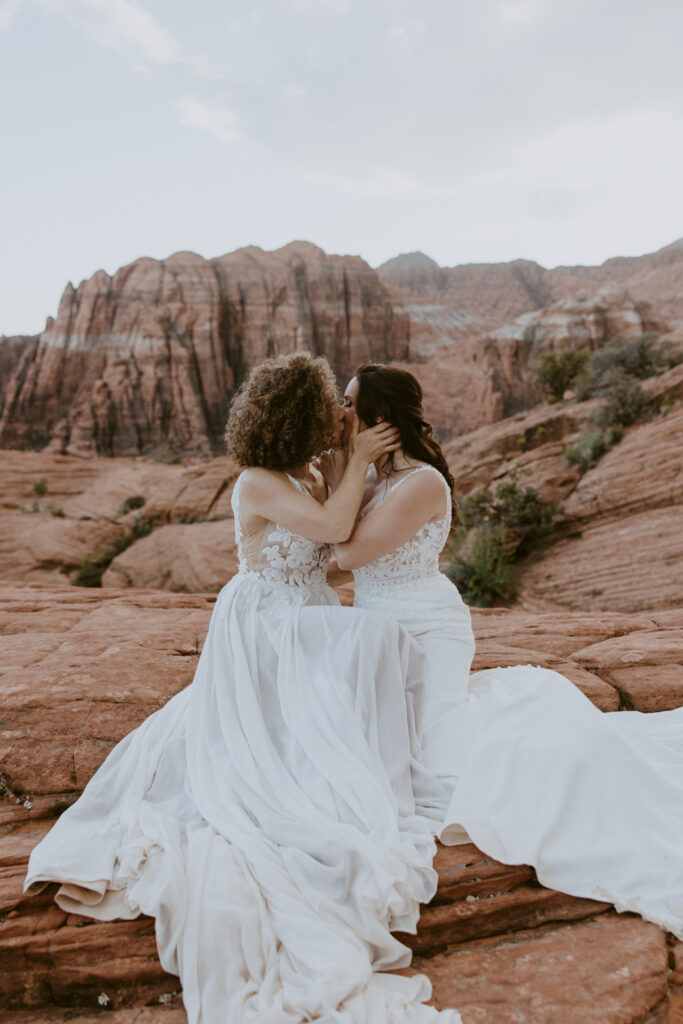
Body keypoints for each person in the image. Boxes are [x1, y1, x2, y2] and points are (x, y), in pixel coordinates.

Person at [24, 352, 463, 1024]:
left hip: (305, 611)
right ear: (298, 415)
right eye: (328, 407)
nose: (338, 416)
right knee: (335, 686)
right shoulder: (258, 482)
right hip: (266, 621)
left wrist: (346, 458)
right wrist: (355, 457)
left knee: (335, 698)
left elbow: (346, 527)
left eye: (344, 406)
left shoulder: (310, 469)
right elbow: (336, 531)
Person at [334, 362, 683, 933]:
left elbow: (348, 557)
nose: (341, 412)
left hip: (424, 629)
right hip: (377, 623)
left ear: (380, 417)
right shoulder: (371, 478)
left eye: (350, 403)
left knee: (438, 750)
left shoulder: (421, 483)